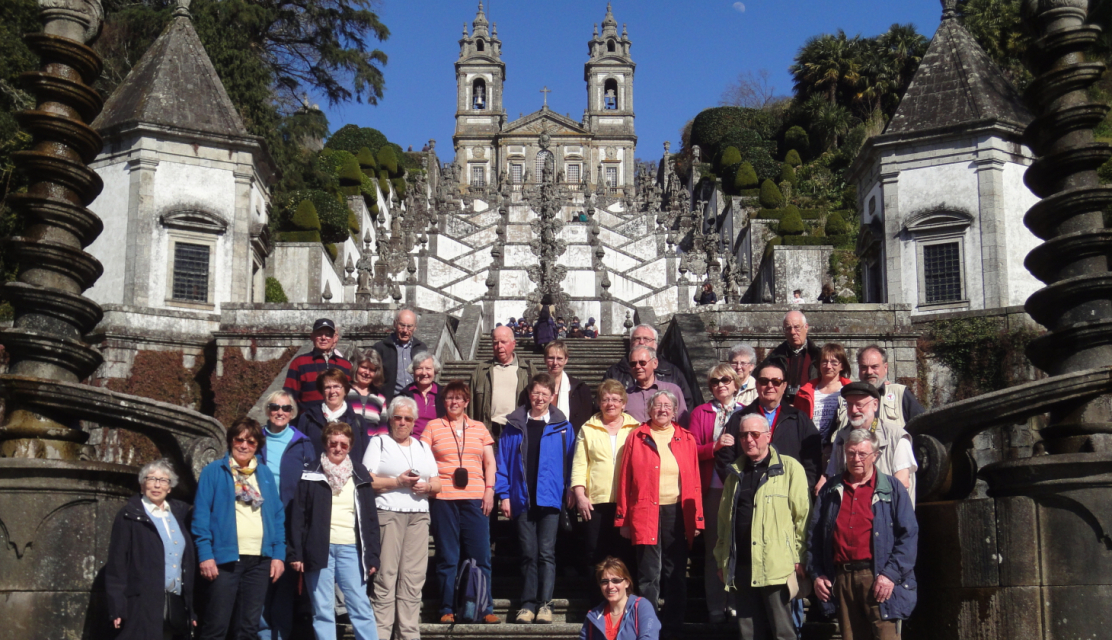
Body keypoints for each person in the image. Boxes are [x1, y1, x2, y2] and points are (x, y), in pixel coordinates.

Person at [808, 429, 918, 639]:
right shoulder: (831, 490)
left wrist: (890, 575)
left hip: (878, 577)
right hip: (842, 578)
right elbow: (814, 537)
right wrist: (817, 574)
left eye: (862, 454)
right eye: (851, 453)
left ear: (875, 455)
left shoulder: (892, 489)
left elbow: (909, 536)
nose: (856, 459)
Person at [615, 390, 703, 637]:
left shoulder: (686, 438)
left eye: (667, 406)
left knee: (675, 573)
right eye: (657, 405)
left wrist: (697, 517)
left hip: (678, 511)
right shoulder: (637, 437)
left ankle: (673, 627)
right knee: (648, 574)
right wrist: (623, 518)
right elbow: (625, 479)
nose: (662, 409)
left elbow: (695, 480)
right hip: (645, 511)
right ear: (649, 410)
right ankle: (649, 627)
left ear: (675, 411)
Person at [714, 414, 811, 640]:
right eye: (743, 435)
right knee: (749, 634)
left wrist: (800, 556)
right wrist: (721, 560)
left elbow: (803, 517)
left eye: (755, 434)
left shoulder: (790, 468)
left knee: (783, 632)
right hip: (742, 566)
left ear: (768, 436)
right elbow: (724, 522)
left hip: (777, 566)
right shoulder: (734, 474)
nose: (749, 439)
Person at [193, 418, 286, 640]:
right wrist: (205, 555)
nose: (244, 446)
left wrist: (278, 555)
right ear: (231, 441)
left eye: (251, 442)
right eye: (239, 440)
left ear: (257, 445)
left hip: (260, 560)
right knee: (216, 626)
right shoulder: (214, 471)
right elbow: (201, 515)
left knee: (248, 629)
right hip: (225, 560)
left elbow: (276, 516)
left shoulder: (264, 474)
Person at [288, 421, 381, 640]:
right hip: (318, 548)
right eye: (333, 443)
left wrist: (373, 555)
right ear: (325, 443)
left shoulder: (360, 473)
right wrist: (296, 553)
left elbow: (370, 518)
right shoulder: (311, 472)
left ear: (350, 446)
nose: (338, 448)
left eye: (343, 444)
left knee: (360, 605)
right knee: (322, 609)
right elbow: (298, 517)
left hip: (351, 548)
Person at [496, 373, 577, 624]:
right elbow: (503, 462)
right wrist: (504, 495)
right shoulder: (513, 426)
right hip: (521, 498)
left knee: (546, 553)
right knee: (528, 553)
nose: (540, 398)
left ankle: (545, 604)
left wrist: (570, 488)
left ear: (552, 396)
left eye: (545, 393)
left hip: (550, 499)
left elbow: (572, 461)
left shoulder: (563, 426)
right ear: (529, 395)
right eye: (536, 393)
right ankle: (527, 604)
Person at [421, 380, 501, 624]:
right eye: (449, 398)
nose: (454, 402)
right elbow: (423, 460)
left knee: (481, 555)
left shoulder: (479, 428)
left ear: (467, 402)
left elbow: (490, 463)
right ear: (443, 401)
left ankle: (485, 608)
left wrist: (489, 490)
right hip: (444, 499)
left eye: (458, 398)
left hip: (475, 498)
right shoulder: (433, 427)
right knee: (448, 556)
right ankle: (447, 608)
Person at [363, 396, 442, 640]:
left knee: (413, 580)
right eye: (398, 417)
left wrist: (427, 487)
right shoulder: (379, 442)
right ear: (390, 419)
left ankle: (408, 634)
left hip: (418, 517)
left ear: (414, 421)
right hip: (388, 514)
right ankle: (381, 634)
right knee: (385, 578)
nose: (402, 422)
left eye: (408, 418)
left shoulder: (422, 447)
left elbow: (438, 483)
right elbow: (366, 480)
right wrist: (397, 482)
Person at [105, 459, 196, 640]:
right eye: (151, 479)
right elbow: (117, 563)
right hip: (142, 603)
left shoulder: (180, 514)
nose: (157, 485)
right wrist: (117, 606)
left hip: (174, 603)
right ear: (142, 485)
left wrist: (191, 609)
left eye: (163, 480)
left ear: (169, 488)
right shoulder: (129, 515)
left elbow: (186, 562)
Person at [687, 364, 744, 623]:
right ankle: (715, 606)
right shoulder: (701, 413)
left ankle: (736, 602)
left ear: (735, 384)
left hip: (739, 487)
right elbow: (691, 450)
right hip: (712, 488)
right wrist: (715, 446)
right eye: (714, 381)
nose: (720, 385)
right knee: (714, 548)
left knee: (737, 546)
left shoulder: (746, 412)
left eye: (725, 380)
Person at [257, 390, 315, 640]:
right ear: (267, 410)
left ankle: (280, 634)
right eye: (275, 407)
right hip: (259, 518)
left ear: (292, 413)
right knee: (260, 579)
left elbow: (311, 485)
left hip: (291, 519)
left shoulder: (303, 443)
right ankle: (261, 633)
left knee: (284, 582)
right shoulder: (254, 439)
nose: (280, 412)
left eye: (286, 408)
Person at [716, 357, 822, 489]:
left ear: (784, 386)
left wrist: (801, 488)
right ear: (757, 385)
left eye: (776, 381)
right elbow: (725, 458)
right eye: (764, 381)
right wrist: (739, 488)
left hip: (788, 492)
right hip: (748, 492)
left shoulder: (798, 419)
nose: (770, 386)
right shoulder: (740, 418)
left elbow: (813, 458)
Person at [819, 382, 918, 506]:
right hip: (850, 511)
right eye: (849, 404)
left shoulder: (896, 436)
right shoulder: (841, 437)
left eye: (859, 405)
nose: (854, 410)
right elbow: (833, 477)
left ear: (875, 405)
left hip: (884, 512)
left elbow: (902, 483)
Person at [605, 324, 695, 411]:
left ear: (656, 344)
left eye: (646, 339)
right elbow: (603, 402)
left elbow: (686, 405)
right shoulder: (615, 372)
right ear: (631, 343)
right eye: (637, 339)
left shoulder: (672, 372)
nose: (641, 342)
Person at [469, 326, 537, 437]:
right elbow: (470, 405)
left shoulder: (528, 370)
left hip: (518, 431)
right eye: (495, 343)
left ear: (513, 344)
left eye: (503, 342)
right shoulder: (481, 371)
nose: (499, 346)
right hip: (488, 431)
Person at [297, 368, 369, 464]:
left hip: (349, 473)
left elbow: (365, 457)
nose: (332, 391)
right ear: (322, 391)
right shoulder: (307, 418)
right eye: (327, 387)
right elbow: (297, 451)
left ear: (345, 390)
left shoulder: (357, 422)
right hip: (315, 472)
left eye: (336, 386)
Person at [579, 557, 661, 640]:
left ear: (627, 583)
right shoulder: (593, 616)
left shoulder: (641, 607)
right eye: (605, 581)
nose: (610, 586)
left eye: (616, 580)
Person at [283, 318, 352, 411]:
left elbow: (351, 396)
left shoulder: (345, 365)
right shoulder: (299, 363)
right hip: (308, 418)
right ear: (312, 336)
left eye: (328, 335)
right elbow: (289, 396)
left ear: (334, 338)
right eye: (319, 334)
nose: (323, 338)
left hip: (338, 418)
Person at [794, 343, 852, 446]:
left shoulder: (850, 391)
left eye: (834, 362)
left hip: (840, 447)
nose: (828, 366)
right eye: (824, 361)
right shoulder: (804, 393)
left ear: (842, 366)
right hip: (810, 447)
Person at [857, 345, 926, 425]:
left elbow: (924, 424)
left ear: (885, 367)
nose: (869, 372)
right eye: (864, 367)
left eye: (874, 367)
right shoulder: (848, 398)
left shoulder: (899, 393)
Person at [623, 345, 689, 426]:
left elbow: (684, 424)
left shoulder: (673, 390)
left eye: (642, 363)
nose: (637, 366)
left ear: (655, 363)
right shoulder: (625, 396)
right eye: (633, 364)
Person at [373, 309, 427, 402]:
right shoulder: (381, 348)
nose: (405, 330)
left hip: (415, 401)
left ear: (415, 327)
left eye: (409, 326)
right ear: (395, 324)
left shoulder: (421, 348)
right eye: (402, 325)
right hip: (390, 401)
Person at [769, 311, 822, 402]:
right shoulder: (775, 356)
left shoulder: (819, 356)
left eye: (797, 327)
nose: (793, 332)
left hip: (811, 404)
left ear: (806, 327)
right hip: (783, 407)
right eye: (788, 328)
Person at [545, 340, 595, 431]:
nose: (555, 363)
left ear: (566, 360)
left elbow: (588, 420)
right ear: (545, 359)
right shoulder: (535, 389)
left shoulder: (581, 389)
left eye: (559, 358)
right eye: (551, 358)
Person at [404, 350, 445, 438]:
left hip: (437, 440)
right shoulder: (405, 394)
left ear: (435, 371)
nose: (424, 373)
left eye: (428, 368)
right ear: (413, 371)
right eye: (419, 368)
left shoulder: (444, 394)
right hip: (412, 441)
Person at [348, 350, 387, 436]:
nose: (367, 373)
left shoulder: (380, 399)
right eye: (364, 367)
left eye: (372, 370)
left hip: (372, 443)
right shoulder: (345, 392)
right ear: (356, 367)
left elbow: (383, 432)